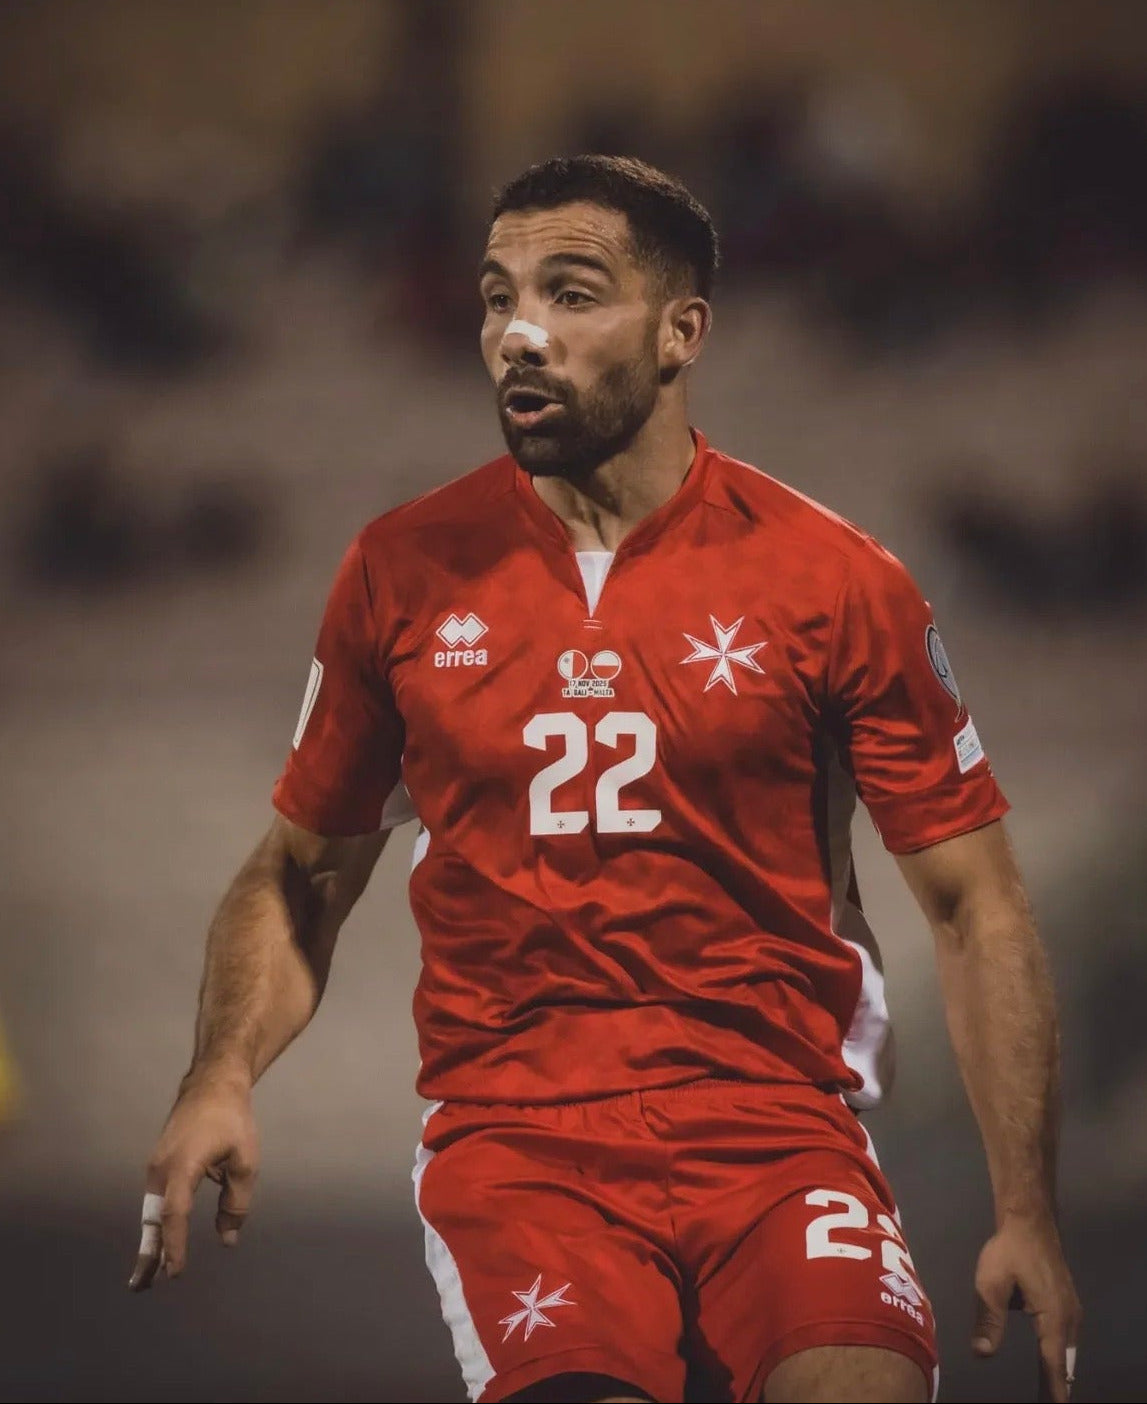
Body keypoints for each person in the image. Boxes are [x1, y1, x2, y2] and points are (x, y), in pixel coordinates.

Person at [130, 156, 1080, 1404]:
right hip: (522, 1151)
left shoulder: (837, 580)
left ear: (682, 332)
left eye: (569, 294)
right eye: (497, 297)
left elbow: (974, 905)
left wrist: (1026, 1209)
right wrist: (218, 1077)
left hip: (781, 1134)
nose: (518, 334)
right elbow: (300, 877)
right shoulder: (399, 573)